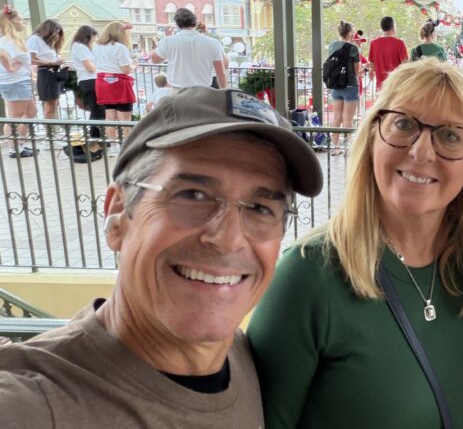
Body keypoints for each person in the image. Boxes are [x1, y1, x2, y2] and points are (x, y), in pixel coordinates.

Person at [0, 86, 323, 427]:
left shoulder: (242, 359)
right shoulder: (31, 405)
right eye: (193, 194)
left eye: (260, 208)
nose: (228, 239)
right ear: (118, 213)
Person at [249, 58, 463, 428]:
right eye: (403, 124)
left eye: (449, 135)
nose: (421, 152)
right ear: (372, 136)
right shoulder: (308, 276)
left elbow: (453, 335)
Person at [150, 8, 226, 90]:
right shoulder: (213, 43)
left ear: (177, 24)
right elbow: (221, 73)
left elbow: (155, 60)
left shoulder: (168, 41)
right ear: (194, 22)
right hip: (204, 92)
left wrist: (164, 39)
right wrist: (224, 94)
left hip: (178, 92)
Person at [93, 21, 137, 154]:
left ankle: (113, 146)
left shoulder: (97, 46)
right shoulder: (119, 47)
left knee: (109, 116)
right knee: (125, 119)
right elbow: (126, 69)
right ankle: (127, 147)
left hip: (103, 83)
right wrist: (134, 65)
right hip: (119, 83)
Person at [0, 6, 36, 158]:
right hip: (15, 82)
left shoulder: (14, 40)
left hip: (21, 80)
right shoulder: (6, 41)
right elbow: (3, 56)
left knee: (31, 113)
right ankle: (14, 148)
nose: (23, 22)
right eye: (20, 20)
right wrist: (10, 68)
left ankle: (20, 143)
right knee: (15, 116)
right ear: (11, 22)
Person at [326, 20, 361, 155]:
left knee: (336, 117)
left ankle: (334, 148)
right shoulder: (353, 48)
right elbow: (356, 70)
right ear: (350, 33)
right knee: (347, 118)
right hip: (350, 85)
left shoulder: (332, 45)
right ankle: (346, 148)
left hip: (335, 85)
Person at [27, 19, 67, 121]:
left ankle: (51, 129)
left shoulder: (49, 42)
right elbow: (31, 59)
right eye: (55, 32)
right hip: (46, 72)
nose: (57, 35)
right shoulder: (35, 39)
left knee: (54, 104)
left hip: (54, 72)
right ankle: (49, 131)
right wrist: (50, 63)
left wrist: (57, 61)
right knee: (49, 106)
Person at [69, 25, 104, 138]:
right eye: (92, 38)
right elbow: (89, 67)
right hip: (89, 80)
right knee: (97, 109)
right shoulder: (80, 47)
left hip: (89, 80)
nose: (93, 41)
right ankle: (95, 135)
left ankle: (96, 135)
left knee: (97, 109)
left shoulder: (79, 47)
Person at [367, 15, 408, 89]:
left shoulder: (373, 43)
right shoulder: (399, 43)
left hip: (380, 86)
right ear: (393, 27)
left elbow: (372, 66)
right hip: (395, 84)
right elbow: (405, 64)